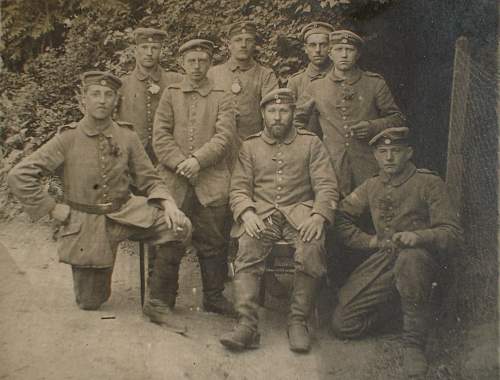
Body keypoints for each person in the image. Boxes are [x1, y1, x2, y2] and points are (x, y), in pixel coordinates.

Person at [7, 71, 191, 313]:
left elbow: (150, 179)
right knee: (91, 301)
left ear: (116, 100)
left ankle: (157, 301)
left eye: (109, 95)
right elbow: (20, 174)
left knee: (179, 228)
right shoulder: (68, 138)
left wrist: (169, 204)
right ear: (84, 100)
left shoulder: (127, 135)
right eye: (95, 94)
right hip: (86, 223)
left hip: (126, 211)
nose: (102, 100)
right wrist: (52, 207)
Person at [332, 127, 462, 379]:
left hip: (421, 261)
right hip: (386, 260)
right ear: (375, 156)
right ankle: (406, 313)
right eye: (383, 152)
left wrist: (420, 236)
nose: (389, 157)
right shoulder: (372, 185)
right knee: (343, 324)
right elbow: (341, 217)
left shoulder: (428, 183)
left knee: (410, 259)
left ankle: (413, 344)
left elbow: (452, 233)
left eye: (396, 151)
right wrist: (369, 241)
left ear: (409, 153)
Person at [219, 88, 339, 353]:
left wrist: (318, 215)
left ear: (293, 113)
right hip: (261, 214)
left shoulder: (311, 143)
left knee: (312, 247)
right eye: (272, 111)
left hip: (300, 214)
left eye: (283, 111)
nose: (277, 117)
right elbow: (238, 188)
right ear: (263, 114)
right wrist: (247, 213)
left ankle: (298, 321)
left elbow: (327, 186)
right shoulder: (249, 146)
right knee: (247, 247)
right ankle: (247, 325)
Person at [151, 39, 235, 320]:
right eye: (191, 61)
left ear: (210, 63)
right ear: (181, 63)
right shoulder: (170, 93)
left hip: (211, 180)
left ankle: (213, 297)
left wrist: (198, 160)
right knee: (170, 235)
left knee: (213, 239)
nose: (197, 66)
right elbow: (160, 136)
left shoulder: (222, 95)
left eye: (202, 61)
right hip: (174, 180)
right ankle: (163, 300)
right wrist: (180, 163)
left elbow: (224, 137)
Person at [294, 29, 405, 197]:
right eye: (339, 50)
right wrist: (313, 149)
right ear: (330, 53)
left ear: (358, 54)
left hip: (369, 164)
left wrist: (372, 126)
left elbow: (398, 119)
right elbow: (296, 122)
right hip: (331, 166)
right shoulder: (316, 87)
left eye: (349, 50)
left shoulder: (374, 84)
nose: (344, 55)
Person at [116, 27, 183, 164]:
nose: (149, 53)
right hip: (132, 158)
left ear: (161, 51)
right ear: (135, 51)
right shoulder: (121, 84)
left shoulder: (176, 81)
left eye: (155, 48)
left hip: (168, 156)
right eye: (144, 47)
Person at [207, 21, 278, 146]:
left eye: (248, 40)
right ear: (229, 45)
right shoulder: (213, 74)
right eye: (238, 40)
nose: (243, 45)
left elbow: (271, 114)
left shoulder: (265, 75)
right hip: (219, 146)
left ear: (254, 44)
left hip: (253, 145)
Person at [287, 21, 334, 136]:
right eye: (312, 45)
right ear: (305, 48)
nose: (317, 50)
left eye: (323, 44)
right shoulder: (296, 82)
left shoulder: (341, 77)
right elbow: (289, 120)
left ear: (331, 47)